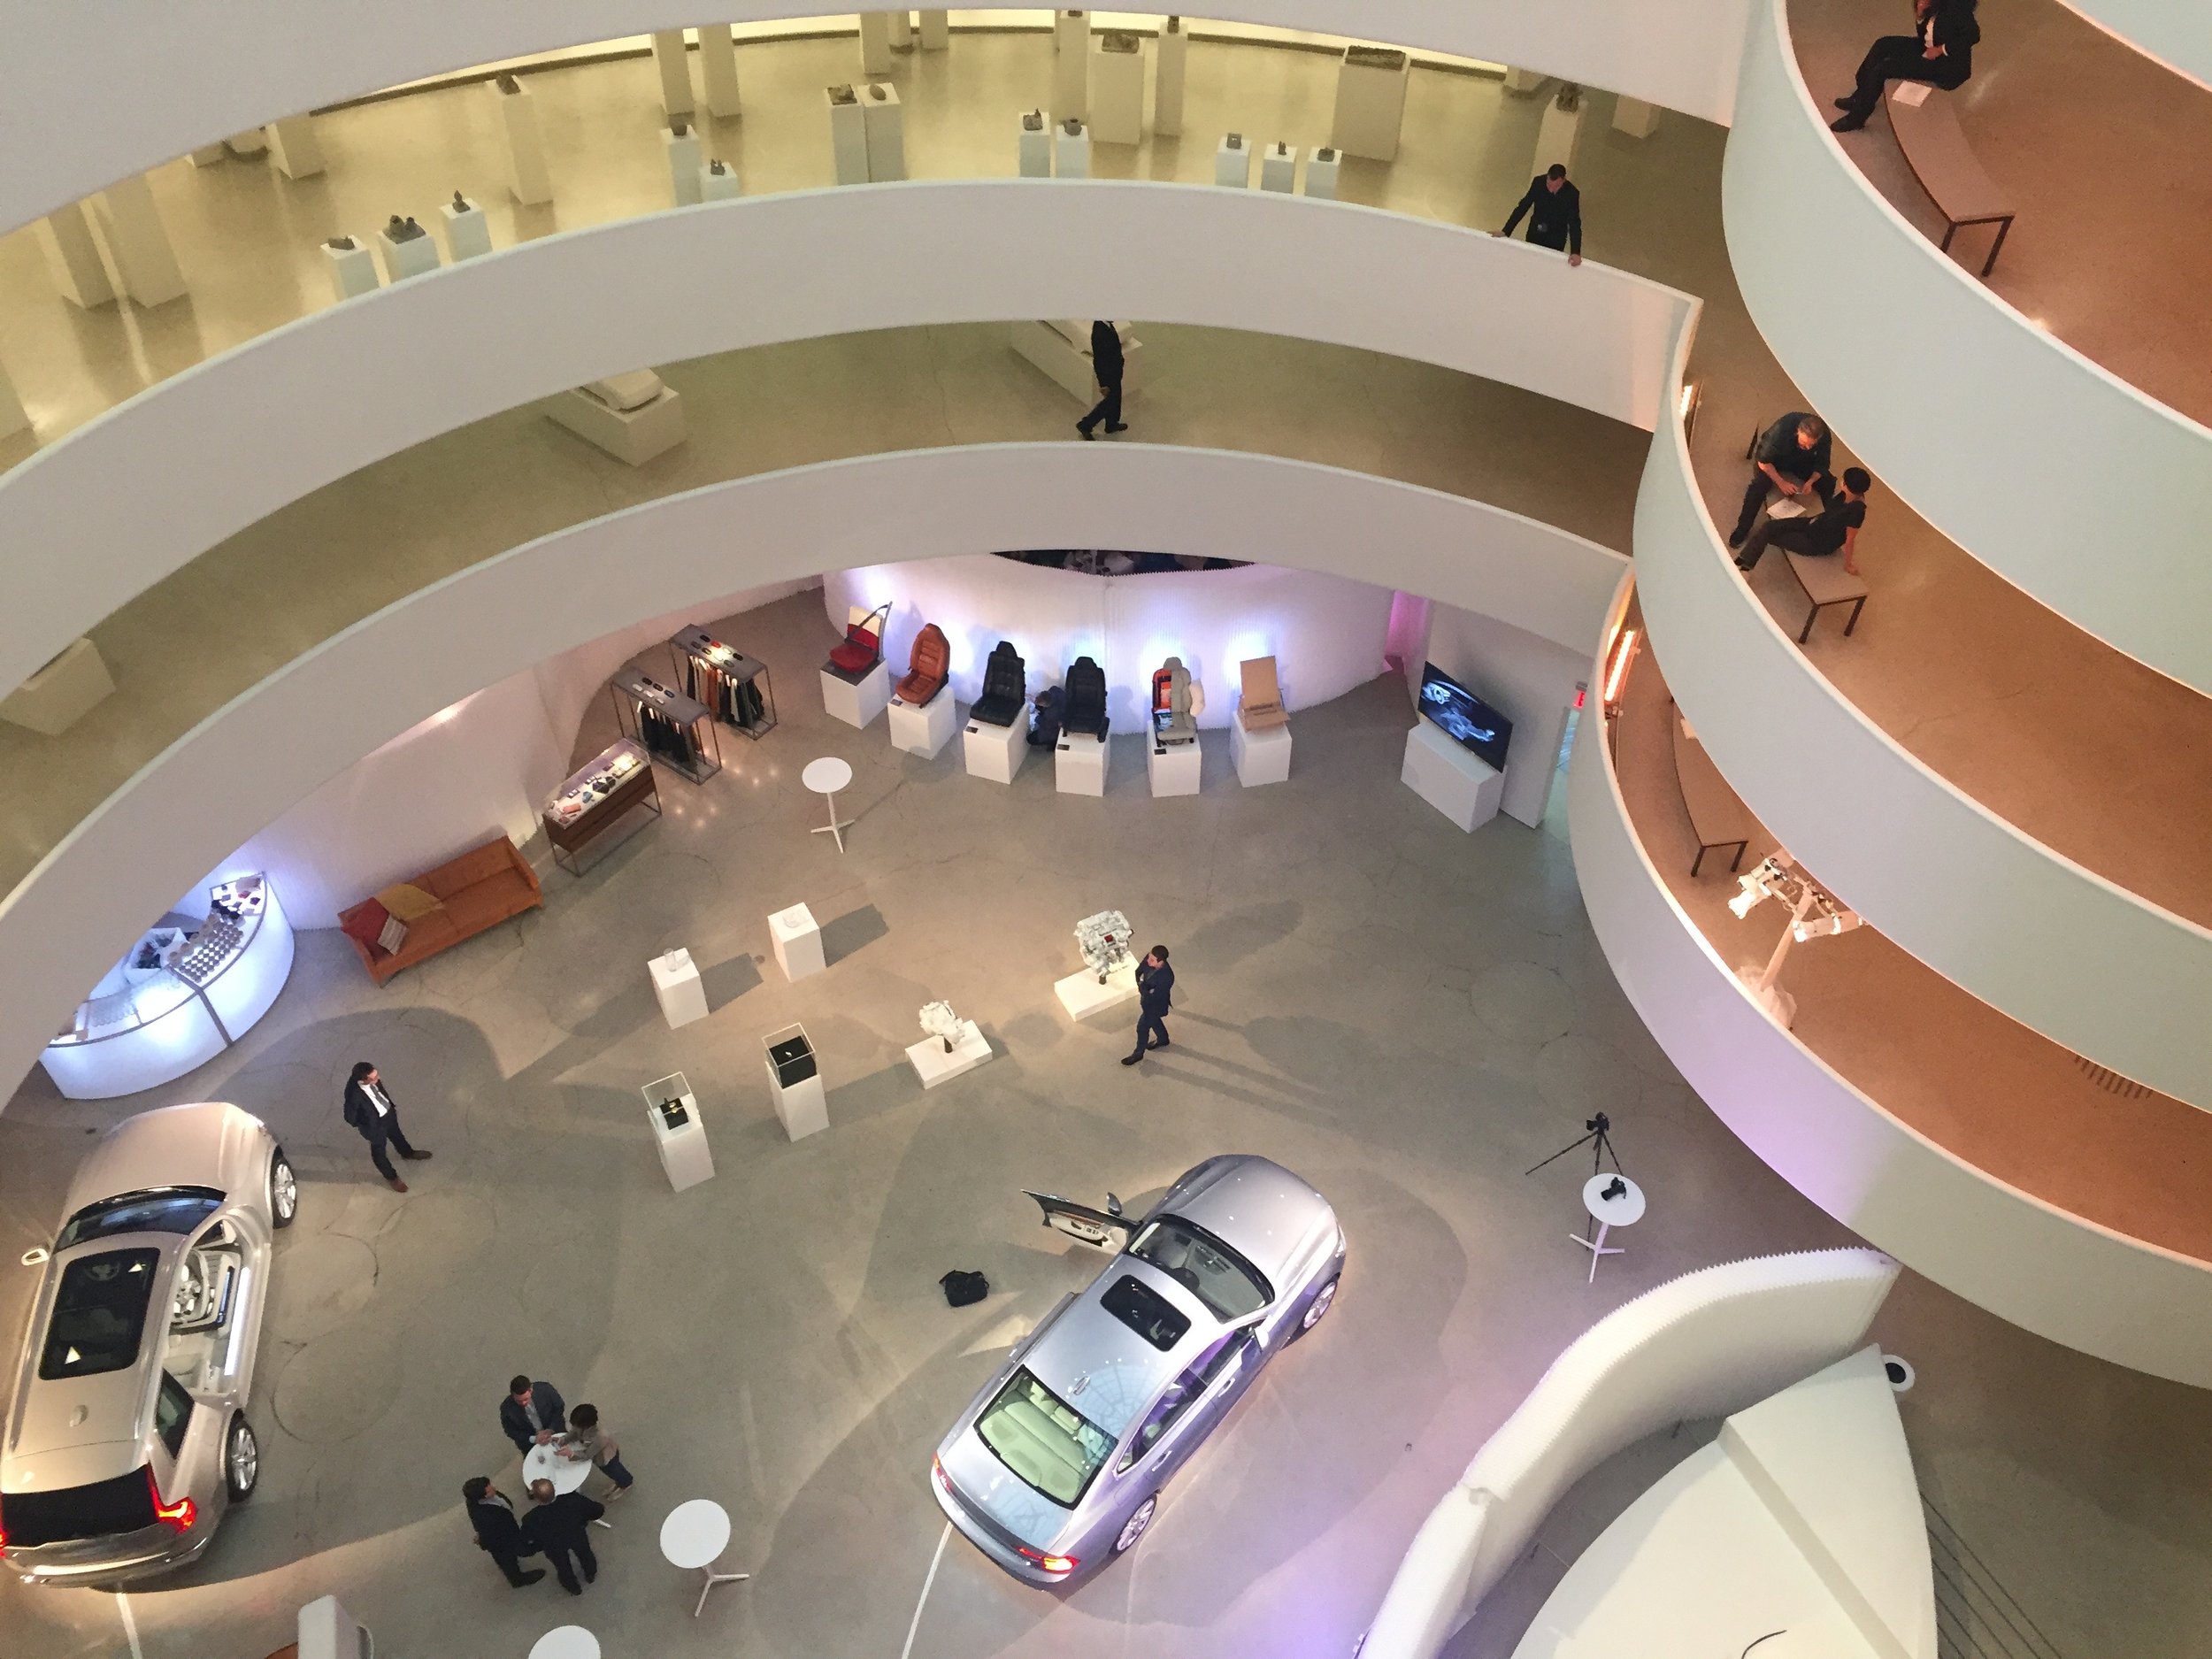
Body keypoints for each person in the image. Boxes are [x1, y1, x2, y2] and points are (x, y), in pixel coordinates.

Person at [1832, 0, 1981, 132]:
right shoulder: (1932, 3)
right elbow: (1927, 33)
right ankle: (1861, 94)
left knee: (1884, 68)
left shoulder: (1957, 7)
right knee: (1883, 44)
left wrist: (1940, 49)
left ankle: (1857, 117)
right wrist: (1921, 13)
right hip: (1926, 46)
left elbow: (1973, 35)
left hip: (1945, 65)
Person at [1737, 467, 1871, 576]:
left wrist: (1848, 564)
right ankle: (1742, 561)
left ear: (1846, 485)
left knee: (1768, 534)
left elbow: (1850, 539)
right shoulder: (1843, 495)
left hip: (1816, 543)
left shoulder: (1857, 511)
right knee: (1768, 526)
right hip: (1813, 523)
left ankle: (1744, 567)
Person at [1729, 412, 1834, 549]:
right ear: (1797, 431)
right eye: (1803, 444)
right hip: (1775, 460)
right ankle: (1742, 528)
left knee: (1828, 482)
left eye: (1811, 446)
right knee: (1759, 487)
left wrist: (1811, 481)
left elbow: (1822, 463)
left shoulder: (1824, 435)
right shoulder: (1781, 431)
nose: (1808, 448)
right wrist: (1781, 482)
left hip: (1801, 461)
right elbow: (1763, 461)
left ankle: (1820, 525)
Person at [341, 1061, 430, 1193]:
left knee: (397, 1136)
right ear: (364, 1080)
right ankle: (392, 1177)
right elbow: (350, 1117)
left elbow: (380, 1091)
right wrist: (367, 1123)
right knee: (379, 1153)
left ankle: (407, 1153)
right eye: (374, 1078)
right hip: (375, 1126)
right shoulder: (354, 1095)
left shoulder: (372, 1080)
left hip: (388, 1115)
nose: (378, 1079)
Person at [521, 1479, 606, 1596]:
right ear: (554, 1490)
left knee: (562, 1566)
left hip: (554, 1546)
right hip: (576, 1535)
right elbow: (597, 1510)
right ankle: (590, 1573)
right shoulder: (572, 1499)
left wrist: (541, 1545)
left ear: (536, 1497)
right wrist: (584, 1520)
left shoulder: (531, 1519)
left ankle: (573, 1587)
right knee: (585, 1553)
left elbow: (530, 1537)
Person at [462, 1477, 546, 1588]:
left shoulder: (477, 1501)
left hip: (505, 1531)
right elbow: (489, 1536)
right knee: (508, 1559)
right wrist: (483, 1540)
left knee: (509, 1556)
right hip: (501, 1540)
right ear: (484, 1496)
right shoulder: (485, 1517)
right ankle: (517, 1580)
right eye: (489, 1489)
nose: (494, 1488)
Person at [1495, 165, 1583, 266]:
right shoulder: (1538, 182)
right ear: (1547, 177)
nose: (1551, 190)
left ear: (1563, 181)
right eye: (1549, 185)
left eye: (1556, 187)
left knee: (1548, 267)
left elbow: (1574, 223)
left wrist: (1575, 252)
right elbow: (1523, 207)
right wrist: (1506, 231)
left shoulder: (1572, 194)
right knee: (1527, 263)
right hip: (1535, 233)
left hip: (1555, 239)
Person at [560, 1403, 634, 1500]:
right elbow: (574, 1432)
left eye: (578, 1426)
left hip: (607, 1458)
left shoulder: (600, 1437)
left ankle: (625, 1484)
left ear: (587, 1426)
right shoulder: (581, 1424)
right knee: (611, 1473)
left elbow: (587, 1455)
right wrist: (563, 1440)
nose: (575, 1427)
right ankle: (618, 1483)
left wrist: (571, 1454)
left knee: (615, 1471)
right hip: (597, 1455)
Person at [1122, 945, 1174, 1066]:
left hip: (1155, 1005)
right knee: (1154, 1021)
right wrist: (1140, 982)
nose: (1148, 961)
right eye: (1149, 957)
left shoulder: (1166, 977)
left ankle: (1138, 1053)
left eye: (1151, 960)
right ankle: (1163, 1039)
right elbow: (1139, 970)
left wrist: (1142, 988)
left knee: (1142, 1028)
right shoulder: (1150, 957)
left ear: (1161, 961)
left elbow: (1155, 996)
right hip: (1147, 1001)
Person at [1076, 320, 1128, 439]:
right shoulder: (1100, 332)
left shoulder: (1107, 326)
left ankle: (1111, 423)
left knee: (1115, 398)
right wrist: (1103, 383)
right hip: (1108, 374)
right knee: (1109, 402)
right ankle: (1085, 424)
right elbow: (1099, 360)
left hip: (1115, 370)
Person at [501, 1376, 568, 1454]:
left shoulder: (546, 1390)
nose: (523, 1403)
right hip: (531, 1445)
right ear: (512, 1395)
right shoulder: (507, 1409)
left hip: (556, 1432)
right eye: (519, 1401)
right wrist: (533, 1439)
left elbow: (559, 1408)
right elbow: (511, 1431)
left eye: (526, 1399)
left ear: (531, 1390)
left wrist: (551, 1429)